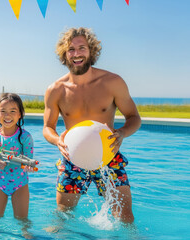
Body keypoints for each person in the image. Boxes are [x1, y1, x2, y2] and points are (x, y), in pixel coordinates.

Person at [43, 27, 141, 224]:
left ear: (91, 51)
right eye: (71, 49)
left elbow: (134, 117)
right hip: (72, 158)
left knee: (124, 217)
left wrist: (121, 133)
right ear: (64, 53)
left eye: (82, 48)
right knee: (63, 216)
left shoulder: (112, 82)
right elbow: (47, 127)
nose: (77, 53)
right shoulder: (56, 90)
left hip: (109, 155)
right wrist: (57, 140)